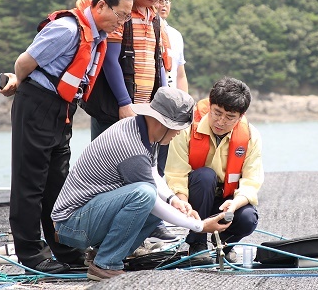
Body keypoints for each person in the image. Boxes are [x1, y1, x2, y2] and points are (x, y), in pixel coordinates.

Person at [0, 0, 136, 274]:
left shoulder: (97, 35)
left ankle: (65, 251)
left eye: (128, 17)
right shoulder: (66, 29)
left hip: (63, 109)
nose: (123, 23)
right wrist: (17, 81)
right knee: (30, 182)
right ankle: (32, 257)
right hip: (37, 103)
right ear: (101, 6)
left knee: (58, 185)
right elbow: (25, 61)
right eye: (121, 15)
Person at [51, 87, 231, 281]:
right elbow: (149, 197)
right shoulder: (130, 147)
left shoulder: (142, 129)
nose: (179, 133)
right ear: (162, 123)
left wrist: (173, 200)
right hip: (70, 223)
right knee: (145, 195)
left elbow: (152, 172)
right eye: (178, 127)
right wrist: (199, 226)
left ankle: (104, 254)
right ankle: (106, 264)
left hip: (89, 215)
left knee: (154, 202)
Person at [82, 0, 180, 243]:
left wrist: (164, 106)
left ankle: (152, 223)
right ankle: (103, 236)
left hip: (148, 110)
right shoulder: (121, 14)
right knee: (111, 171)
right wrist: (124, 103)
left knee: (152, 167)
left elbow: (159, 64)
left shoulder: (154, 18)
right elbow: (111, 62)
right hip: (118, 109)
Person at [165, 77, 264, 263]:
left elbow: (251, 183)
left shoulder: (251, 137)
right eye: (217, 113)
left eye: (230, 117)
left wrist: (233, 206)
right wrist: (184, 205)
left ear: (241, 116)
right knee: (205, 176)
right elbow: (176, 174)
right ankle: (197, 243)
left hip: (226, 201)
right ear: (210, 105)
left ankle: (226, 244)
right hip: (196, 197)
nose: (221, 121)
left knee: (248, 218)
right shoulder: (186, 129)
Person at [155, 0, 188, 177]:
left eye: (166, 0)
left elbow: (180, 75)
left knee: (165, 163)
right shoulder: (144, 31)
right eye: (159, 0)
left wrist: (185, 107)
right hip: (153, 108)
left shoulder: (175, 35)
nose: (163, 5)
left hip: (172, 109)